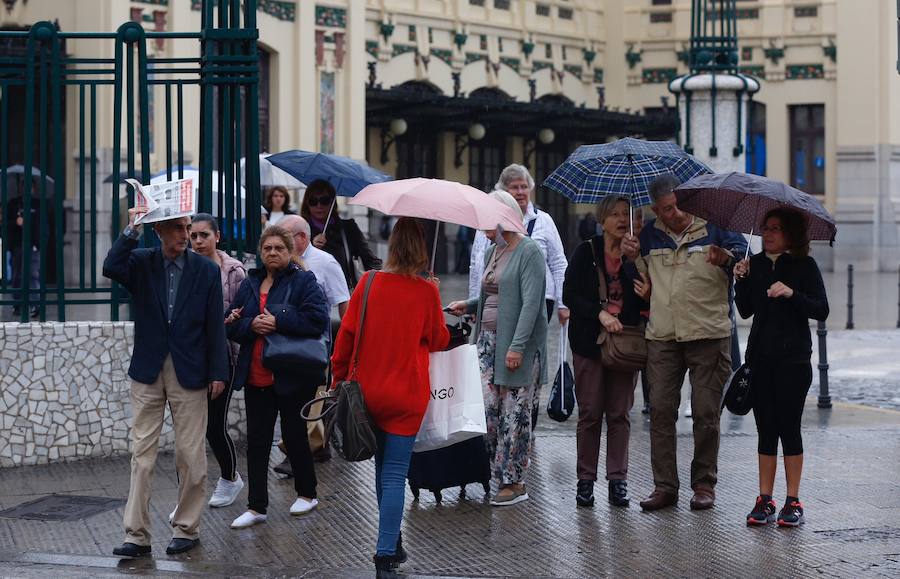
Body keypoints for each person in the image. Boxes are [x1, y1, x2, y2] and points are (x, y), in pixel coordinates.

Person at [103, 206, 228, 558]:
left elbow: (214, 325)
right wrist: (131, 228)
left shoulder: (205, 269)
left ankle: (187, 528)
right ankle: (136, 536)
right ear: (158, 230)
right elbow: (110, 266)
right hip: (147, 370)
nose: (183, 235)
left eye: (186, 227)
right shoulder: (141, 262)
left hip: (190, 371)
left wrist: (218, 371)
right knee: (142, 455)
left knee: (190, 455)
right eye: (176, 228)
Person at [331, 217, 449, 578]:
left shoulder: (367, 282)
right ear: (421, 249)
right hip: (406, 396)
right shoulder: (426, 290)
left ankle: (392, 542)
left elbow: (345, 337)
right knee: (395, 474)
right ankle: (385, 553)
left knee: (383, 472)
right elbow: (440, 339)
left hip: (367, 393)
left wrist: (337, 377)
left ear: (392, 245)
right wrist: (436, 295)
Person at [621, 174, 747, 512]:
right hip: (663, 336)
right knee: (660, 410)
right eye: (665, 210)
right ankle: (665, 487)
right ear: (655, 210)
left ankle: (704, 484)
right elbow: (637, 285)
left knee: (706, 413)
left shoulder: (717, 227)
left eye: (677, 206)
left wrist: (728, 260)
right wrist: (629, 259)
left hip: (709, 333)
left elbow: (743, 268)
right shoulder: (647, 236)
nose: (673, 214)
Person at [225, 226, 329, 529]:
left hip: (291, 374)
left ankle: (308, 493)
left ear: (289, 252)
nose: (272, 253)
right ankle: (257, 506)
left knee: (296, 436)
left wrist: (278, 319)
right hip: (256, 374)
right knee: (257, 441)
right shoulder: (251, 282)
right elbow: (232, 323)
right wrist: (250, 326)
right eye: (267, 248)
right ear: (261, 251)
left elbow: (316, 320)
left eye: (279, 248)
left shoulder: (303, 281)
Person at [449, 190, 548, 507]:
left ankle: (515, 481)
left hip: (515, 346)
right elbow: (494, 294)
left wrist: (518, 346)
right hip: (488, 343)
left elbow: (531, 304)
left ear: (504, 217)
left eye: (487, 220)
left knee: (514, 416)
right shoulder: (494, 250)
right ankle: (498, 472)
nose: (482, 228)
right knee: (488, 414)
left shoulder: (529, 251)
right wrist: (469, 304)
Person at [733, 207, 828, 527]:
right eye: (766, 228)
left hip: (793, 362)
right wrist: (740, 281)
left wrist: (791, 293)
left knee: (789, 428)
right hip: (760, 361)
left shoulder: (804, 266)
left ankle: (793, 499)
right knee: (766, 430)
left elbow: (821, 309)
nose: (768, 233)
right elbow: (745, 311)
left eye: (776, 228)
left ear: (791, 234)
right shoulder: (756, 265)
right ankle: (764, 498)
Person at [563, 196, 649, 509]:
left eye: (627, 215)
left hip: (625, 345)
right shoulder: (586, 251)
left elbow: (645, 301)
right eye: (614, 215)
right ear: (602, 220)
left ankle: (618, 481)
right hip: (590, 343)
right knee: (589, 413)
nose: (621, 220)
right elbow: (569, 294)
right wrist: (599, 314)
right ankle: (585, 481)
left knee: (619, 414)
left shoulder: (637, 256)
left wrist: (635, 263)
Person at [468, 165, 568, 431]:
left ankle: (519, 432)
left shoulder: (542, 222)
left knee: (517, 371)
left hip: (536, 300)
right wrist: (472, 304)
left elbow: (558, 262)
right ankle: (502, 431)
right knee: (492, 386)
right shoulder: (490, 233)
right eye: (515, 187)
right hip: (495, 303)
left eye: (524, 186)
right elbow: (478, 265)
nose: (521, 192)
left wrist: (562, 301)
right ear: (505, 191)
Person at [272, 214, 351, 473]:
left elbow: (343, 303)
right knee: (294, 399)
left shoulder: (325, 263)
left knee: (314, 397)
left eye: (284, 237)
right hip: (285, 340)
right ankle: (315, 446)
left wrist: (347, 344)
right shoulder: (280, 263)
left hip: (315, 343)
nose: (277, 243)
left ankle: (296, 452)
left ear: (302, 238)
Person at [186, 213, 246, 509]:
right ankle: (189, 495)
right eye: (193, 235)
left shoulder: (233, 271)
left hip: (224, 356)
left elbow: (242, 316)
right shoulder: (184, 266)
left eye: (203, 235)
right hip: (191, 357)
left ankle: (230, 477)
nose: (197, 241)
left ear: (217, 237)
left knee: (214, 427)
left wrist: (226, 322)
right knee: (191, 430)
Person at [302, 179, 382, 289]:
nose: (319, 205)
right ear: (307, 204)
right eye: (313, 201)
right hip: (309, 293)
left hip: (343, 293)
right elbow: (291, 262)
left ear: (332, 202)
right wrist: (310, 247)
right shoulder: (300, 230)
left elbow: (371, 261)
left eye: (324, 200)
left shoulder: (348, 228)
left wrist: (379, 282)